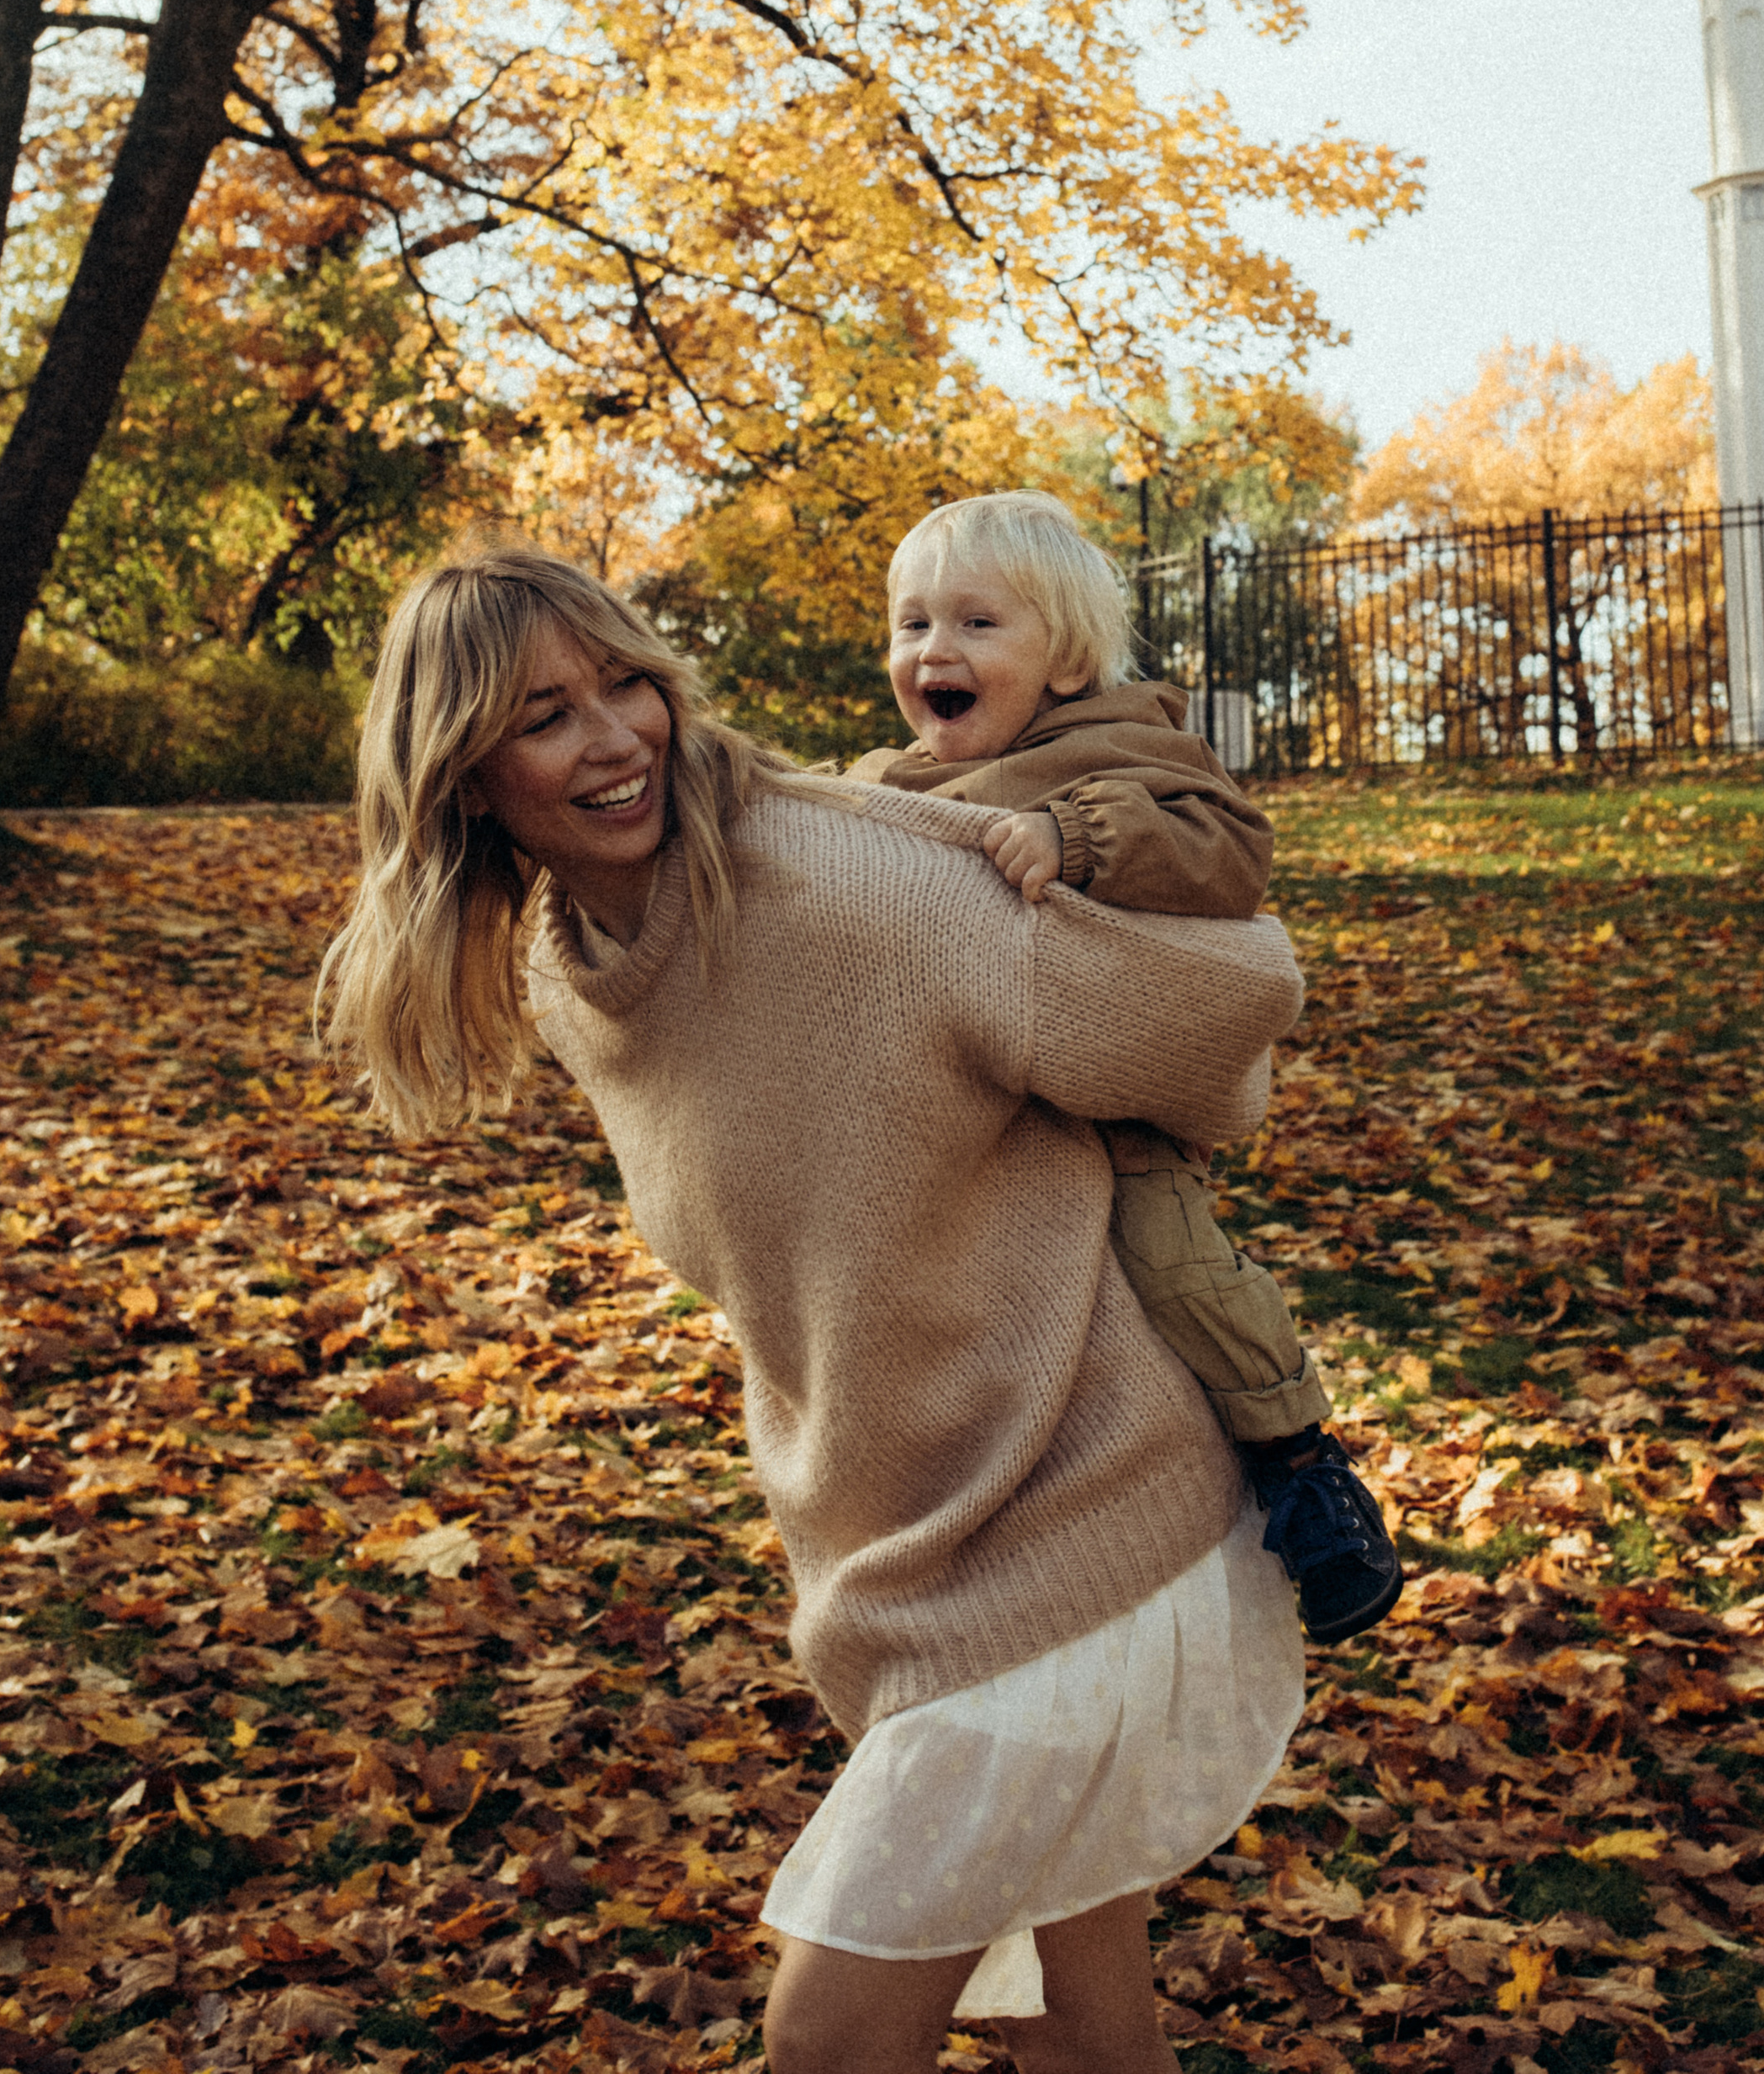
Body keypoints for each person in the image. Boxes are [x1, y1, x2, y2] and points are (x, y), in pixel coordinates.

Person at [316, 544, 1313, 2074]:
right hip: (911, 1545)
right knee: (1085, 2037)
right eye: (545, 716)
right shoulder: (574, 968)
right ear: (461, 777)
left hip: (1084, 1521)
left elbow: (1224, 1022)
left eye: (625, 683)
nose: (616, 737)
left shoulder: (842, 880)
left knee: (830, 2042)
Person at [848, 490, 1401, 1645]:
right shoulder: (887, 789)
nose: (933, 651)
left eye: (975, 625)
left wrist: (1080, 839)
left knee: (1174, 1264)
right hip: (960, 1116)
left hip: (1113, 1116)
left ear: (1065, 660)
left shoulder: (1125, 752)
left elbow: (1232, 856)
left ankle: (1302, 1467)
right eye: (911, 626)